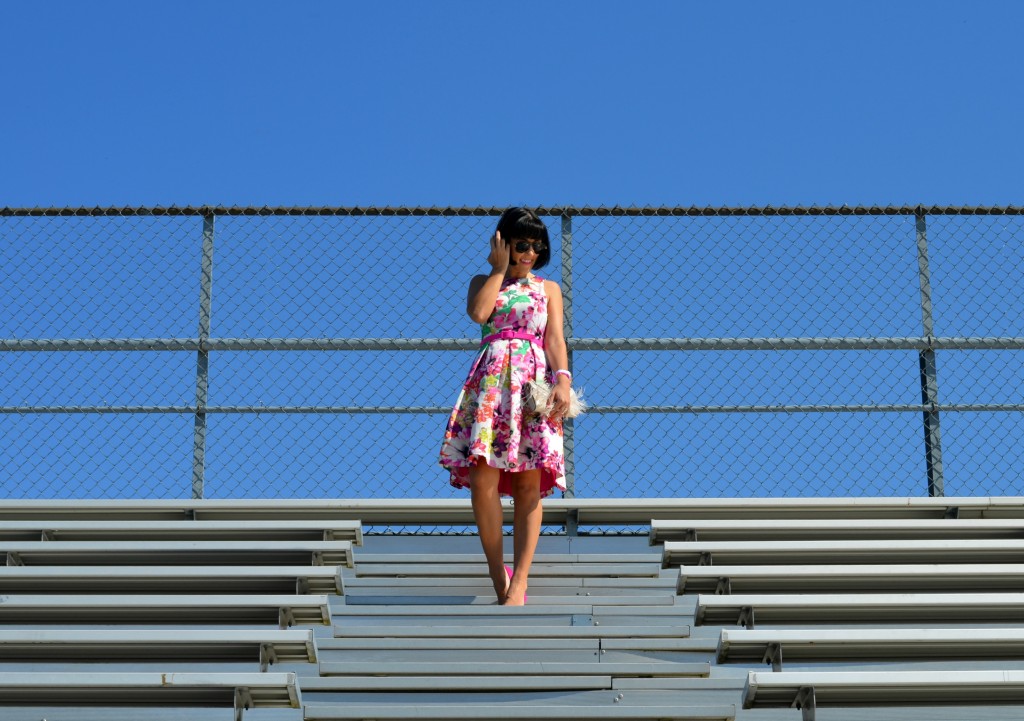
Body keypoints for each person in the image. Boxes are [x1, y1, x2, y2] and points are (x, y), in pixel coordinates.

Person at [438, 207, 573, 606]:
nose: (529, 252)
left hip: (531, 382)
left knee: (530, 481)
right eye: (520, 244)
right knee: (483, 478)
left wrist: (562, 379)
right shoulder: (484, 281)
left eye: (536, 245)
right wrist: (498, 269)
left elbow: (554, 339)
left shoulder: (548, 289)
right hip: (492, 380)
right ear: (503, 243)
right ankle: (498, 571)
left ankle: (521, 580)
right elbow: (479, 314)